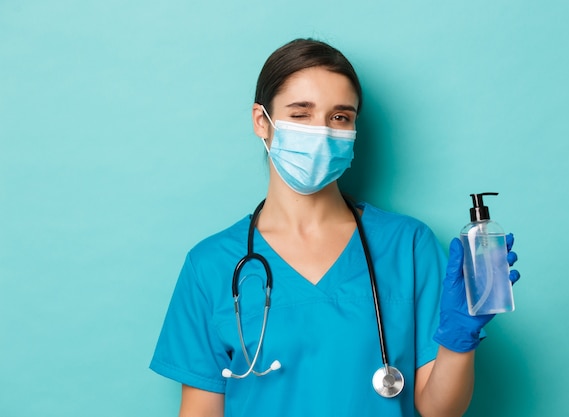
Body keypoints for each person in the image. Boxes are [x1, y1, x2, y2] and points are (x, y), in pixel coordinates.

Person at [150, 38, 520, 417]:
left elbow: (440, 410)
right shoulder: (209, 265)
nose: (322, 133)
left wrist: (459, 338)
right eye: (301, 114)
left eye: (339, 117)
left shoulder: (407, 246)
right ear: (262, 121)